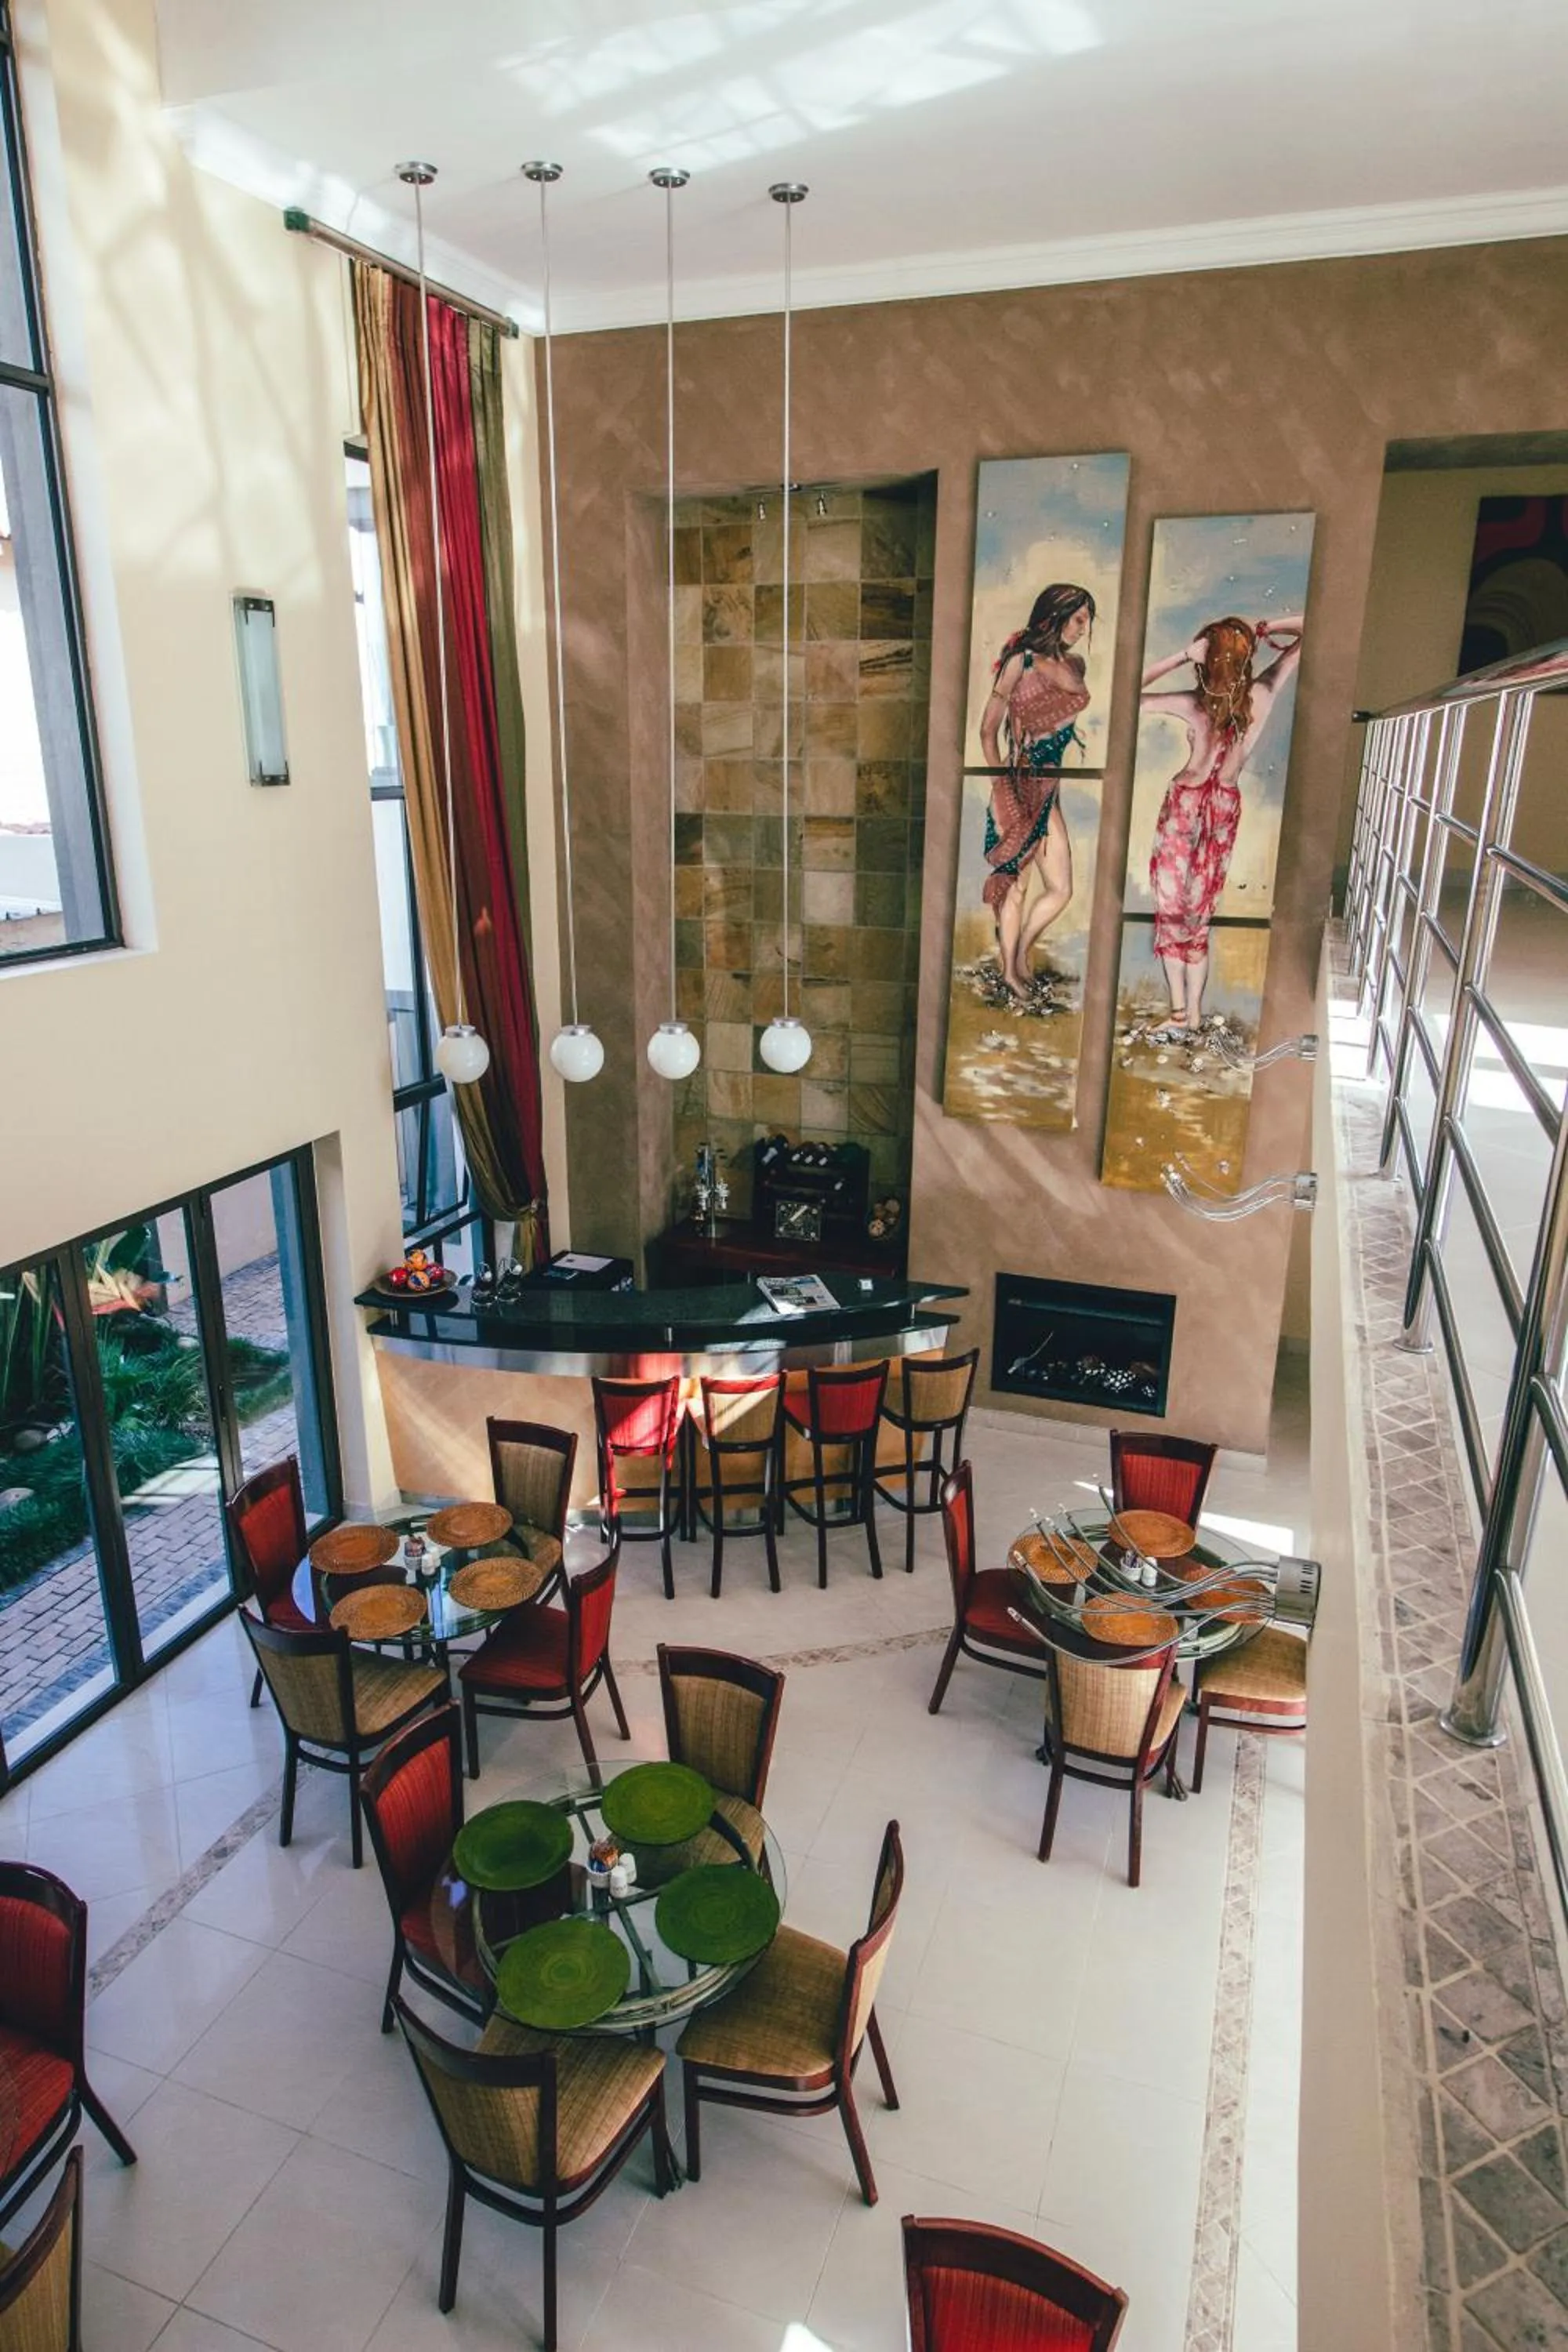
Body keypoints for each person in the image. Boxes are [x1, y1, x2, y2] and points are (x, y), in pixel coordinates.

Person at [1138, 611, 1305, 1033]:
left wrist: (1180, 656)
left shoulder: (1194, 704)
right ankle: (1189, 1015)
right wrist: (1267, 626)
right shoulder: (1262, 693)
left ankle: (1182, 1015)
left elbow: (1127, 694)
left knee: (1174, 914)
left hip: (1186, 809)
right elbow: (1310, 631)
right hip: (1222, 810)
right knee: (1197, 917)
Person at [977, 583, 1094, 997]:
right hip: (1021, 783)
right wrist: (1000, 787)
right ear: (1057, 615)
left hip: (1052, 788)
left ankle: (1019, 955)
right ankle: (1010, 970)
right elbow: (988, 731)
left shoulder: (1074, 665)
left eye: (1088, 621)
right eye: (1079, 619)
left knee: (1061, 887)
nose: (1084, 628)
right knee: (1017, 883)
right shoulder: (1020, 662)